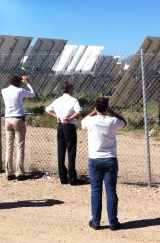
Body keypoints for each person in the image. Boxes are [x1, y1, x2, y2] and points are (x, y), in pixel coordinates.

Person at [81, 97, 125, 231]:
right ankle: (113, 222)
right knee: (111, 190)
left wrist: (93, 112)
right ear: (107, 108)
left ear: (96, 108)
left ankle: (96, 221)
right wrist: (112, 112)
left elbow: (83, 122)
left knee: (96, 190)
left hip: (95, 159)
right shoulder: (112, 121)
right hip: (110, 159)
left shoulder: (90, 121)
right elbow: (124, 122)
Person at [45, 81, 82, 185]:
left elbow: (47, 110)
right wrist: (70, 118)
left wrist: (56, 116)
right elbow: (79, 112)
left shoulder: (57, 100)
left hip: (60, 126)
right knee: (71, 151)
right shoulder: (73, 100)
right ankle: (72, 178)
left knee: (61, 151)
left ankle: (63, 177)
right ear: (70, 89)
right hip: (69, 126)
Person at [1, 74, 35, 180]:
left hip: (8, 119)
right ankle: (19, 172)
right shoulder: (20, 91)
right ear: (18, 82)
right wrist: (27, 83)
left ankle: (9, 172)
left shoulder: (3, 91)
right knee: (20, 146)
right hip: (18, 119)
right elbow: (32, 94)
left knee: (9, 146)